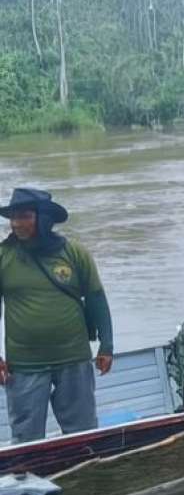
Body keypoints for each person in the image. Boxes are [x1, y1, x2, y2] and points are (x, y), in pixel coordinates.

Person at [0, 188, 114, 443]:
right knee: (26, 439)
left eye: (25, 216)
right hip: (25, 365)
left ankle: (85, 478)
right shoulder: (3, 256)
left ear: (44, 218)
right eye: (13, 217)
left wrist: (106, 345)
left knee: (83, 434)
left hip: (73, 359)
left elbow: (96, 298)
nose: (16, 223)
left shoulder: (74, 252)